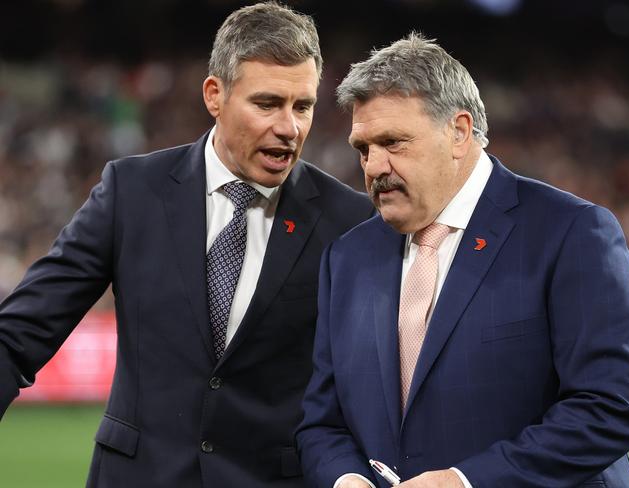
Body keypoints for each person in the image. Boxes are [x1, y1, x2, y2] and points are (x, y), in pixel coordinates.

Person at [0, 3, 374, 487]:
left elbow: (367, 388)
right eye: (267, 104)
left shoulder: (348, 220)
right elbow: (18, 336)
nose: (290, 127)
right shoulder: (131, 192)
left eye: (302, 106)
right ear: (214, 95)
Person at [296, 33, 629, 488]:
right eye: (363, 148)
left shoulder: (571, 232)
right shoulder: (347, 258)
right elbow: (323, 424)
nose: (373, 166)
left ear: (459, 132)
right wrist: (345, 478)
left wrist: (464, 481)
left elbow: (610, 408)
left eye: (393, 142)